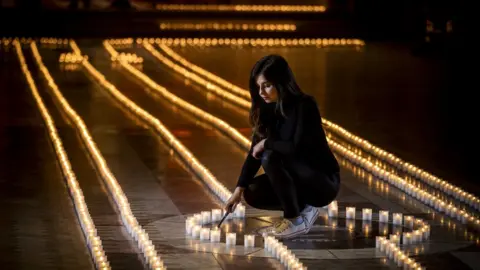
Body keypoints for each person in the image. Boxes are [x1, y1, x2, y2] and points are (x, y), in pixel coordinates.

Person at [224, 54, 341, 239]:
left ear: (282, 83)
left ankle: (294, 220)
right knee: (252, 192)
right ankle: (305, 209)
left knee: (269, 156)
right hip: (298, 178)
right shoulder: (268, 109)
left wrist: (266, 143)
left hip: (321, 181)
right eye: (258, 87)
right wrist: (238, 189)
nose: (261, 92)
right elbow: (254, 153)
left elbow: (296, 148)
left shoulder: (305, 106)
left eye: (267, 85)